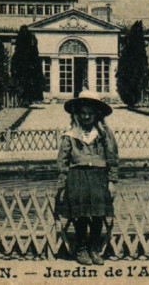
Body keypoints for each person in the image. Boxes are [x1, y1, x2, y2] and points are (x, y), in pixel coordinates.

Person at [57, 89, 119, 265]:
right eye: (82, 113)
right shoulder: (70, 135)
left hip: (99, 176)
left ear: (97, 114)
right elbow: (62, 162)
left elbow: (112, 158)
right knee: (81, 214)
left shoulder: (104, 133)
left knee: (98, 214)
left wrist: (112, 181)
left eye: (90, 113)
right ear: (76, 114)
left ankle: (94, 248)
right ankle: (81, 248)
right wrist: (62, 185)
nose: (86, 117)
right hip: (77, 177)